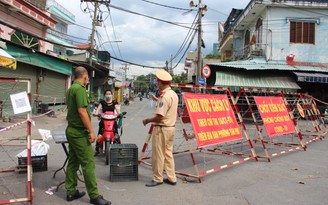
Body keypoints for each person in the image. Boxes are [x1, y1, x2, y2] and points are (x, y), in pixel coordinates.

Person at [65, 66, 111, 205]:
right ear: (85, 76)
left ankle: (71, 191)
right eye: (87, 78)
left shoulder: (71, 88)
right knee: (88, 163)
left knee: (73, 162)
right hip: (79, 133)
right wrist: (91, 131)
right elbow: (82, 111)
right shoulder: (79, 89)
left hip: (72, 130)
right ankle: (94, 195)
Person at [142, 69, 179, 187]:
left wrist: (147, 120)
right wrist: (157, 100)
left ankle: (158, 178)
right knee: (168, 153)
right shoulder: (173, 94)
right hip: (171, 128)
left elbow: (159, 117)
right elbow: (167, 107)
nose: (157, 84)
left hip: (162, 129)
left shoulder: (164, 97)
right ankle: (172, 178)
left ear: (161, 83)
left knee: (158, 154)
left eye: (158, 82)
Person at [94, 89, 121, 156]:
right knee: (100, 134)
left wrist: (120, 114)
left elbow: (117, 110)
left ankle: (119, 149)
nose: (108, 95)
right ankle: (97, 150)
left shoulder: (114, 103)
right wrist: (96, 113)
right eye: (107, 94)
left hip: (112, 120)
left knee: (116, 134)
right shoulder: (102, 102)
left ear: (111, 95)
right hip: (104, 120)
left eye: (109, 94)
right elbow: (98, 109)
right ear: (104, 95)